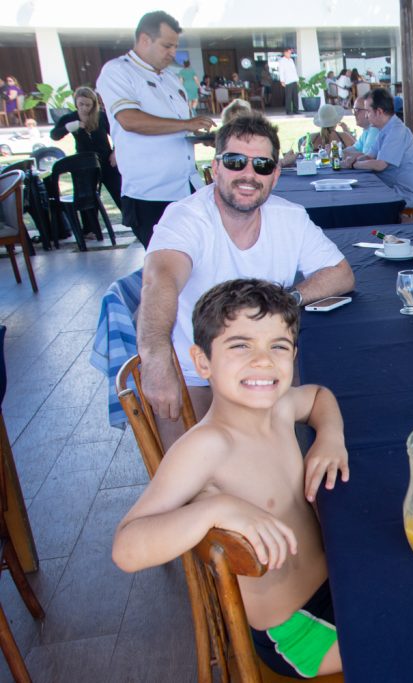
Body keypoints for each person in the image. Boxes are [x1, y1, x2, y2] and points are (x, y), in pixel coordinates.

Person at [113, 278, 347, 678]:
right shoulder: (207, 447)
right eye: (240, 345)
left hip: (336, 587)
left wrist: (330, 437)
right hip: (295, 631)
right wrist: (216, 508)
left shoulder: (277, 407)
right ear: (202, 362)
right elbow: (126, 549)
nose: (263, 361)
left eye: (279, 346)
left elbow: (320, 396)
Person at [138, 113, 356, 447]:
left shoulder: (289, 218)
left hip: (264, 370)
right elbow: (160, 280)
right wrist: (155, 358)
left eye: (262, 165)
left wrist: (286, 300)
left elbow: (340, 274)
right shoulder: (187, 218)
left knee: (287, 459)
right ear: (215, 168)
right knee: (194, 475)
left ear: (276, 174)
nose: (248, 175)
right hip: (199, 373)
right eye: (236, 162)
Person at [97, 11, 215, 247]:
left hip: (186, 188)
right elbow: (130, 120)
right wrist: (186, 124)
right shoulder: (118, 71)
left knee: (200, 261)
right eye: (167, 46)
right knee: (167, 268)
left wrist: (201, 135)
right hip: (150, 194)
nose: (173, 53)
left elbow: (178, 129)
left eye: (175, 46)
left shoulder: (170, 78)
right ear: (144, 40)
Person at [340, 88, 413, 208]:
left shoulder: (396, 131)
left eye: (368, 111)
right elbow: (369, 156)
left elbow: (380, 165)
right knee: (354, 193)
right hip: (389, 187)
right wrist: (353, 159)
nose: (366, 116)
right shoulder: (384, 129)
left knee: (357, 199)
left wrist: (354, 164)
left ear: (379, 112)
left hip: (402, 194)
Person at [50, 86, 123, 213]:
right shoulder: (70, 118)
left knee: (119, 193)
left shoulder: (101, 116)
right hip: (84, 163)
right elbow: (54, 135)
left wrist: (115, 153)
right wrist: (68, 128)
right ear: (76, 103)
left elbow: (118, 135)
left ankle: (134, 223)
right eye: (81, 104)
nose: (84, 108)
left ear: (94, 104)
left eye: (88, 105)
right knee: (87, 199)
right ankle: (90, 230)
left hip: (106, 160)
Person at [278, 48, 299, 116]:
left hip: (294, 80)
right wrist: (282, 81)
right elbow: (281, 71)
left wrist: (297, 80)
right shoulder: (282, 61)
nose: (290, 54)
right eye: (289, 53)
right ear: (285, 53)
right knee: (288, 97)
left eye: (291, 53)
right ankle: (288, 111)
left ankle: (296, 110)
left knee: (295, 96)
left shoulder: (291, 60)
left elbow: (294, 70)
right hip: (287, 81)